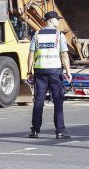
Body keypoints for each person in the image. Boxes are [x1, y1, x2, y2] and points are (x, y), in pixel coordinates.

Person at [27, 11, 73, 139]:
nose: (59, 21)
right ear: (51, 20)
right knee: (58, 101)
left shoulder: (36, 34)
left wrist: (29, 71)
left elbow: (31, 54)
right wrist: (68, 73)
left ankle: (35, 130)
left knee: (39, 101)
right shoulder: (59, 36)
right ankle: (60, 131)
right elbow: (64, 55)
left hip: (40, 71)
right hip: (54, 72)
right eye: (57, 19)